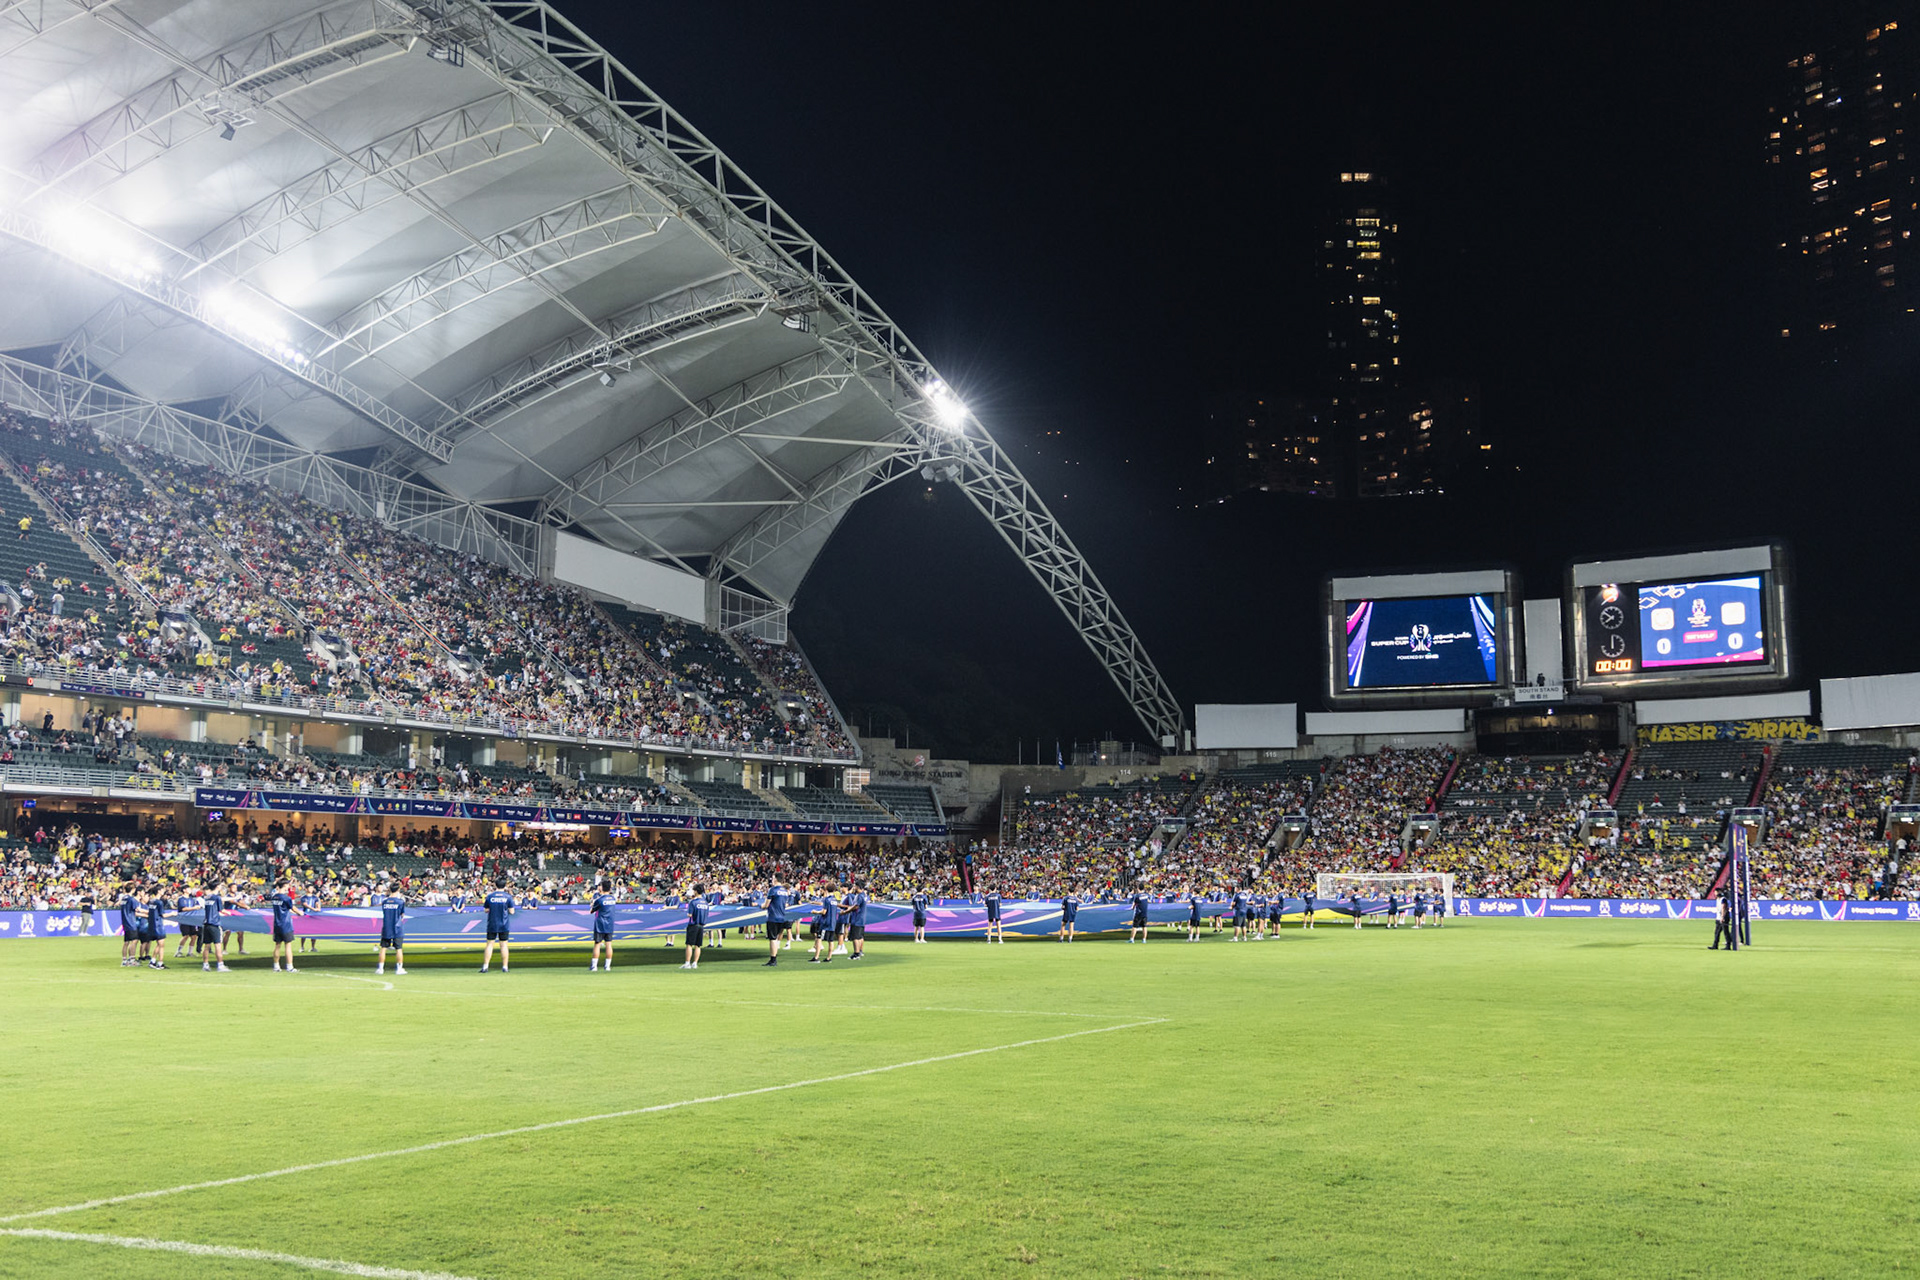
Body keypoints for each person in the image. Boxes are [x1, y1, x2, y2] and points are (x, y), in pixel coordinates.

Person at [480, 877, 514, 973]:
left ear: (495, 885)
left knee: (489, 945)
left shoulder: (490, 896)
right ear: (505, 885)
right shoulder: (508, 897)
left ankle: (485, 966)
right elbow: (512, 911)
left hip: (492, 923)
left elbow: (486, 909)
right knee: (503, 945)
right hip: (504, 924)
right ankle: (505, 967)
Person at [268, 882, 299, 971]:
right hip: (286, 924)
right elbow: (292, 908)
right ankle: (289, 966)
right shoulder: (286, 898)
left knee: (277, 945)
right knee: (288, 945)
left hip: (277, 924)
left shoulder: (274, 897)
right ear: (284, 886)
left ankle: (276, 966)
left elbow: (284, 909)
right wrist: (300, 913)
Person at [377, 887, 407, 976]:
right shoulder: (400, 902)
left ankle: (380, 969)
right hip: (397, 928)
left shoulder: (385, 901)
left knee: (383, 948)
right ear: (398, 890)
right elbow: (402, 914)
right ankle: (399, 969)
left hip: (387, 927)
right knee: (399, 949)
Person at [589, 879, 618, 972]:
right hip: (610, 924)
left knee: (597, 944)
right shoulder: (613, 899)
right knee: (608, 945)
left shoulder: (599, 900)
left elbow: (592, 911)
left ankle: (594, 966)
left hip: (600, 924)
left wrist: (592, 904)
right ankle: (607, 966)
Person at [200, 884, 228, 972]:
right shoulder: (217, 898)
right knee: (218, 945)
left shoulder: (207, 898)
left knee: (206, 946)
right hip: (215, 924)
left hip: (206, 924)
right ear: (217, 887)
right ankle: (220, 965)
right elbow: (221, 910)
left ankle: (205, 965)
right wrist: (230, 913)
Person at [763, 879, 790, 966]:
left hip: (773, 917)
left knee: (773, 939)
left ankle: (773, 959)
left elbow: (766, 905)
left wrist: (762, 906)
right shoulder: (785, 891)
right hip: (782, 917)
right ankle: (774, 958)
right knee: (776, 938)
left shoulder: (773, 890)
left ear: (775, 879)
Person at [810, 890, 840, 964]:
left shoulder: (827, 899)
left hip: (825, 922)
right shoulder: (835, 900)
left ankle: (816, 957)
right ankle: (829, 958)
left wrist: (815, 912)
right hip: (833, 922)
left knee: (819, 938)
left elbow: (824, 912)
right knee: (831, 940)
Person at [682, 886, 709, 970]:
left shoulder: (693, 902)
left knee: (689, 944)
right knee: (698, 945)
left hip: (693, 924)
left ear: (696, 891)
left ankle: (687, 963)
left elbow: (690, 914)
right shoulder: (705, 903)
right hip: (702, 925)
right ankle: (695, 963)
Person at [843, 883, 869, 959]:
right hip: (862, 919)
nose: (854, 887)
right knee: (860, 936)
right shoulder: (864, 895)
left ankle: (856, 953)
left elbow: (856, 906)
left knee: (855, 937)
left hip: (857, 918)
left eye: (855, 886)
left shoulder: (859, 896)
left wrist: (846, 911)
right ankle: (860, 951)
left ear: (858, 887)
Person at [143, 893, 167, 969]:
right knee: (161, 945)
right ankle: (160, 963)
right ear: (159, 891)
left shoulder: (151, 901)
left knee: (159, 944)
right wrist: (173, 914)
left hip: (152, 924)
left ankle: (152, 961)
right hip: (158, 924)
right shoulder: (159, 902)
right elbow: (162, 915)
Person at [119, 886, 141, 967]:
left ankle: (124, 960)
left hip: (125, 922)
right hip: (131, 922)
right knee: (134, 941)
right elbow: (138, 909)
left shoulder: (123, 899)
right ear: (133, 889)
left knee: (126, 942)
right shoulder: (132, 899)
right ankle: (132, 959)